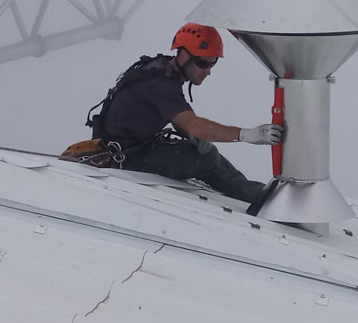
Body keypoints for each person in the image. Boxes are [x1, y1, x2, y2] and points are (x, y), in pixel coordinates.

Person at [93, 23, 282, 204]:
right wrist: (246, 134)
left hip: (131, 147)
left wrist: (189, 135)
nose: (207, 72)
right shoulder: (161, 84)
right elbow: (193, 124)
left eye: (212, 64)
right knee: (206, 158)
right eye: (202, 64)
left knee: (206, 152)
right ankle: (260, 199)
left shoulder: (160, 70)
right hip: (127, 158)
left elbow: (180, 120)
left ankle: (258, 195)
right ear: (183, 56)